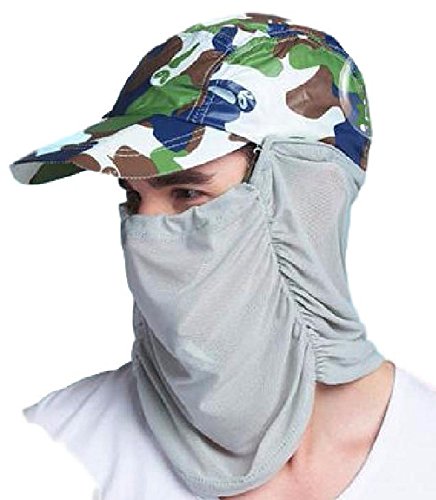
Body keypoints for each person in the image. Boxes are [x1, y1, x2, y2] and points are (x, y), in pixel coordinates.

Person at [9, 11, 436, 500]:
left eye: (187, 194)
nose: (146, 231)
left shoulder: (425, 451)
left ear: (304, 196)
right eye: (132, 197)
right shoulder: (56, 449)